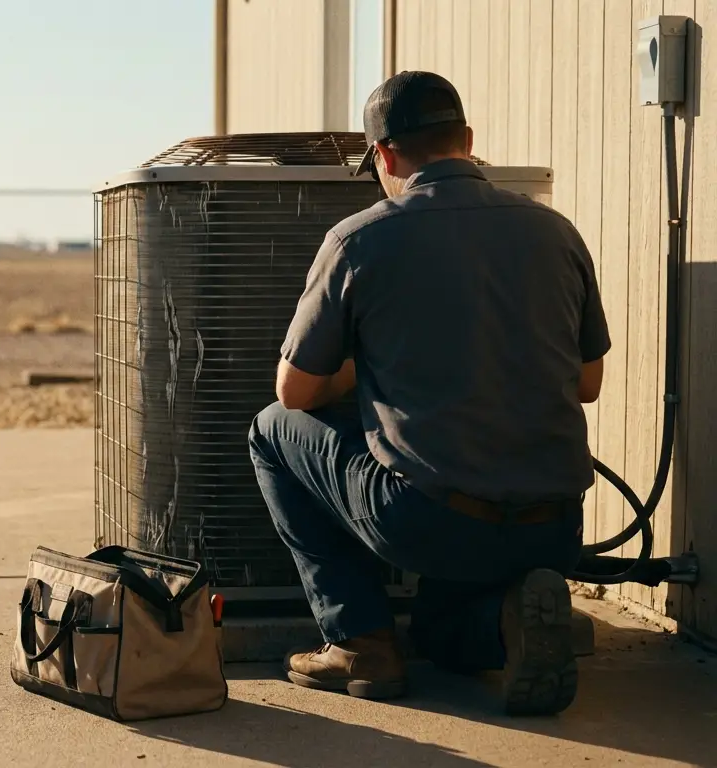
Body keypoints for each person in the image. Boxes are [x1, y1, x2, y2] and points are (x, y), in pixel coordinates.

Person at [246, 70, 609, 716]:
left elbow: (295, 389)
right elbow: (588, 383)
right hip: (555, 527)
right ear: (467, 140)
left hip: (432, 525)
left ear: (384, 156)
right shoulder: (557, 232)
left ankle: (359, 641)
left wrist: (365, 367)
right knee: (439, 635)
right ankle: (509, 622)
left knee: (271, 429)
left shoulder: (357, 240)